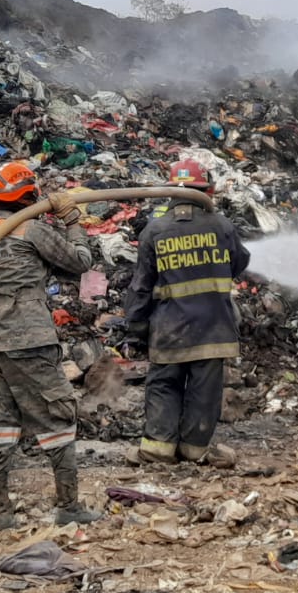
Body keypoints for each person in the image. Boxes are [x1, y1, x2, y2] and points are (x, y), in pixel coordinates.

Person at [0, 160, 101, 529]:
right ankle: (68, 507)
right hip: (30, 339)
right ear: (28, 194)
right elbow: (81, 262)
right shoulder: (31, 229)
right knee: (57, 420)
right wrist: (70, 221)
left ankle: (1, 514)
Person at [122, 158, 250, 467]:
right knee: (204, 390)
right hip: (213, 328)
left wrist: (136, 325)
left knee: (164, 384)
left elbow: (141, 285)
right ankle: (195, 449)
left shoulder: (155, 230)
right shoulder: (221, 225)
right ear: (206, 189)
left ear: (170, 192)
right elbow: (240, 263)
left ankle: (158, 448)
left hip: (170, 329)